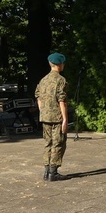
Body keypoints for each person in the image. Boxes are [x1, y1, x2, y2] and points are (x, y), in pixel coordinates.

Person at [35, 52, 69, 181]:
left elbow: (38, 96)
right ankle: (53, 172)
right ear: (59, 65)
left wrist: (42, 110)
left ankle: (46, 170)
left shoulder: (43, 80)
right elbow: (62, 101)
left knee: (48, 143)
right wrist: (65, 119)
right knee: (58, 143)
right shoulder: (61, 80)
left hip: (45, 116)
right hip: (57, 117)